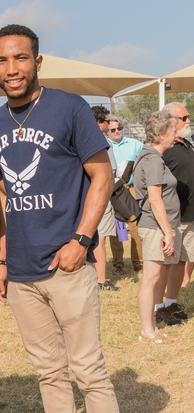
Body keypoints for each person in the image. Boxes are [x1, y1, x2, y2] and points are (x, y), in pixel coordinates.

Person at [0, 23, 133, 413]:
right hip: (23, 271)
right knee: (49, 372)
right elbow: (6, 195)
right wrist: (2, 258)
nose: (12, 69)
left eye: (21, 59)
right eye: (3, 61)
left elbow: (102, 175)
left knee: (88, 370)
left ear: (38, 62)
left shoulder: (68, 108)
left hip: (67, 264)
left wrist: (82, 239)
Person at [132, 110, 181, 342]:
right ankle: (147, 330)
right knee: (150, 278)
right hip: (155, 228)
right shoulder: (151, 160)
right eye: (173, 131)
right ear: (162, 135)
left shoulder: (154, 157)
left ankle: (150, 327)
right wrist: (168, 232)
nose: (176, 134)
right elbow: (154, 199)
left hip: (157, 227)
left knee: (153, 276)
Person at [159, 102, 194, 321]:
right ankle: (157, 307)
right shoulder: (164, 148)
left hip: (190, 215)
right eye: (184, 118)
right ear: (171, 121)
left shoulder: (186, 143)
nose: (188, 120)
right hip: (174, 217)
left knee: (182, 261)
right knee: (165, 264)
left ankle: (171, 303)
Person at [106, 114, 144, 273]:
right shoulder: (104, 146)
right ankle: (118, 265)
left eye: (119, 128)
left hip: (132, 189)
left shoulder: (135, 144)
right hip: (113, 191)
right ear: (107, 132)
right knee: (117, 228)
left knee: (136, 227)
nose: (117, 131)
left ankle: (139, 263)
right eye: (112, 130)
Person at [91, 106, 120, 291]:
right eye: (108, 122)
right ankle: (101, 280)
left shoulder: (79, 137)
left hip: (85, 196)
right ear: (100, 122)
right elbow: (112, 171)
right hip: (101, 196)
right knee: (100, 239)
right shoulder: (101, 141)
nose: (110, 125)